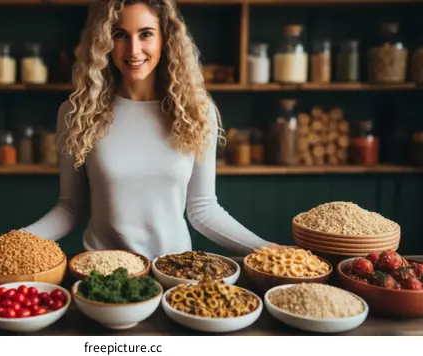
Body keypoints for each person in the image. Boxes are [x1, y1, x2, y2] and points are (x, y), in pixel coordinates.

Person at [22, 0, 277, 260]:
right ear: (105, 42)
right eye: (120, 35)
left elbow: (203, 209)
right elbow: (70, 208)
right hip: (101, 274)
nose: (134, 50)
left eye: (146, 34)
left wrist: (268, 250)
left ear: (165, 38)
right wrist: (13, 243)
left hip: (175, 274)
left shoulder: (197, 112)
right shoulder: (77, 112)